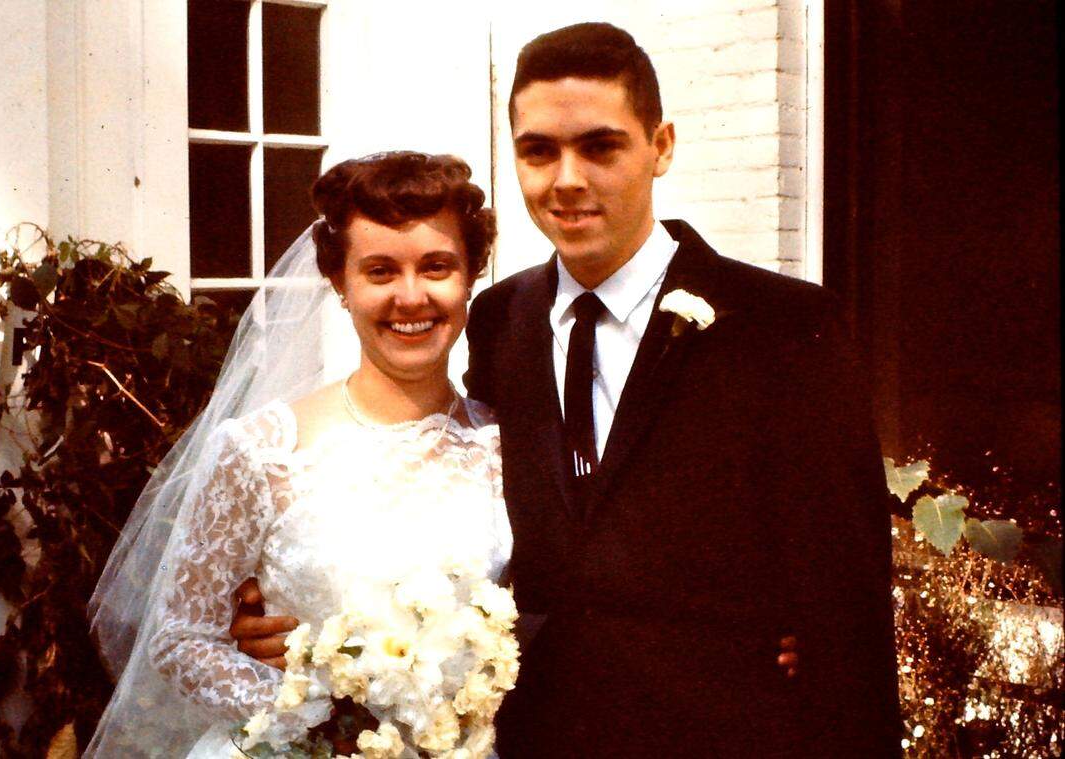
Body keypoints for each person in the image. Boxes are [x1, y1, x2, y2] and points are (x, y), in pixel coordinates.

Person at [234, 22, 900, 757]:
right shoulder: (498, 319)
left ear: (662, 145)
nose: (567, 178)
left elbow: (850, 609)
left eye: (601, 146)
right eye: (539, 150)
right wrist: (299, 610)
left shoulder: (783, 324)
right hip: (537, 736)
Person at [84, 151, 509, 758]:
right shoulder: (262, 450)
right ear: (341, 285)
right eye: (381, 271)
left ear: (470, 277)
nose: (411, 297)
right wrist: (322, 723)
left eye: (437, 267)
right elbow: (180, 639)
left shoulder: (505, 447)